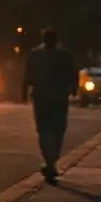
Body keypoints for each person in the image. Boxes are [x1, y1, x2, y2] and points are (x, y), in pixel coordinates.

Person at [22, 28, 78, 184]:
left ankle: (49, 161)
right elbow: (73, 75)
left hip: (42, 97)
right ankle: (51, 161)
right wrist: (73, 89)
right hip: (59, 96)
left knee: (44, 130)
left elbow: (27, 75)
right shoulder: (66, 55)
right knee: (57, 130)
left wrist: (24, 92)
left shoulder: (35, 54)